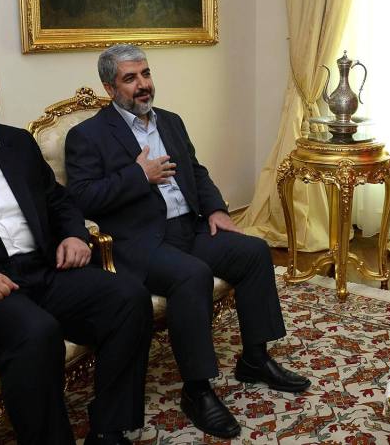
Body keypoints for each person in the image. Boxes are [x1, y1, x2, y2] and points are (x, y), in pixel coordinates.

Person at [64, 44, 310, 439]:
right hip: (139, 243)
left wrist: (216, 210)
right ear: (110, 88)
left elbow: (196, 170)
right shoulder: (87, 135)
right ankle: (197, 389)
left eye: (145, 74)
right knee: (192, 275)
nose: (143, 85)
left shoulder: (171, 122)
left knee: (253, 251)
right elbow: (81, 198)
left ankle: (255, 358)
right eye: (130, 78)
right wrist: (137, 176)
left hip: (189, 229)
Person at [0, 50, 153, 445]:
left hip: (38, 273)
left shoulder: (16, 142)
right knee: (36, 332)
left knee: (127, 296)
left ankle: (110, 428)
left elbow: (58, 200)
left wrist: (74, 234)